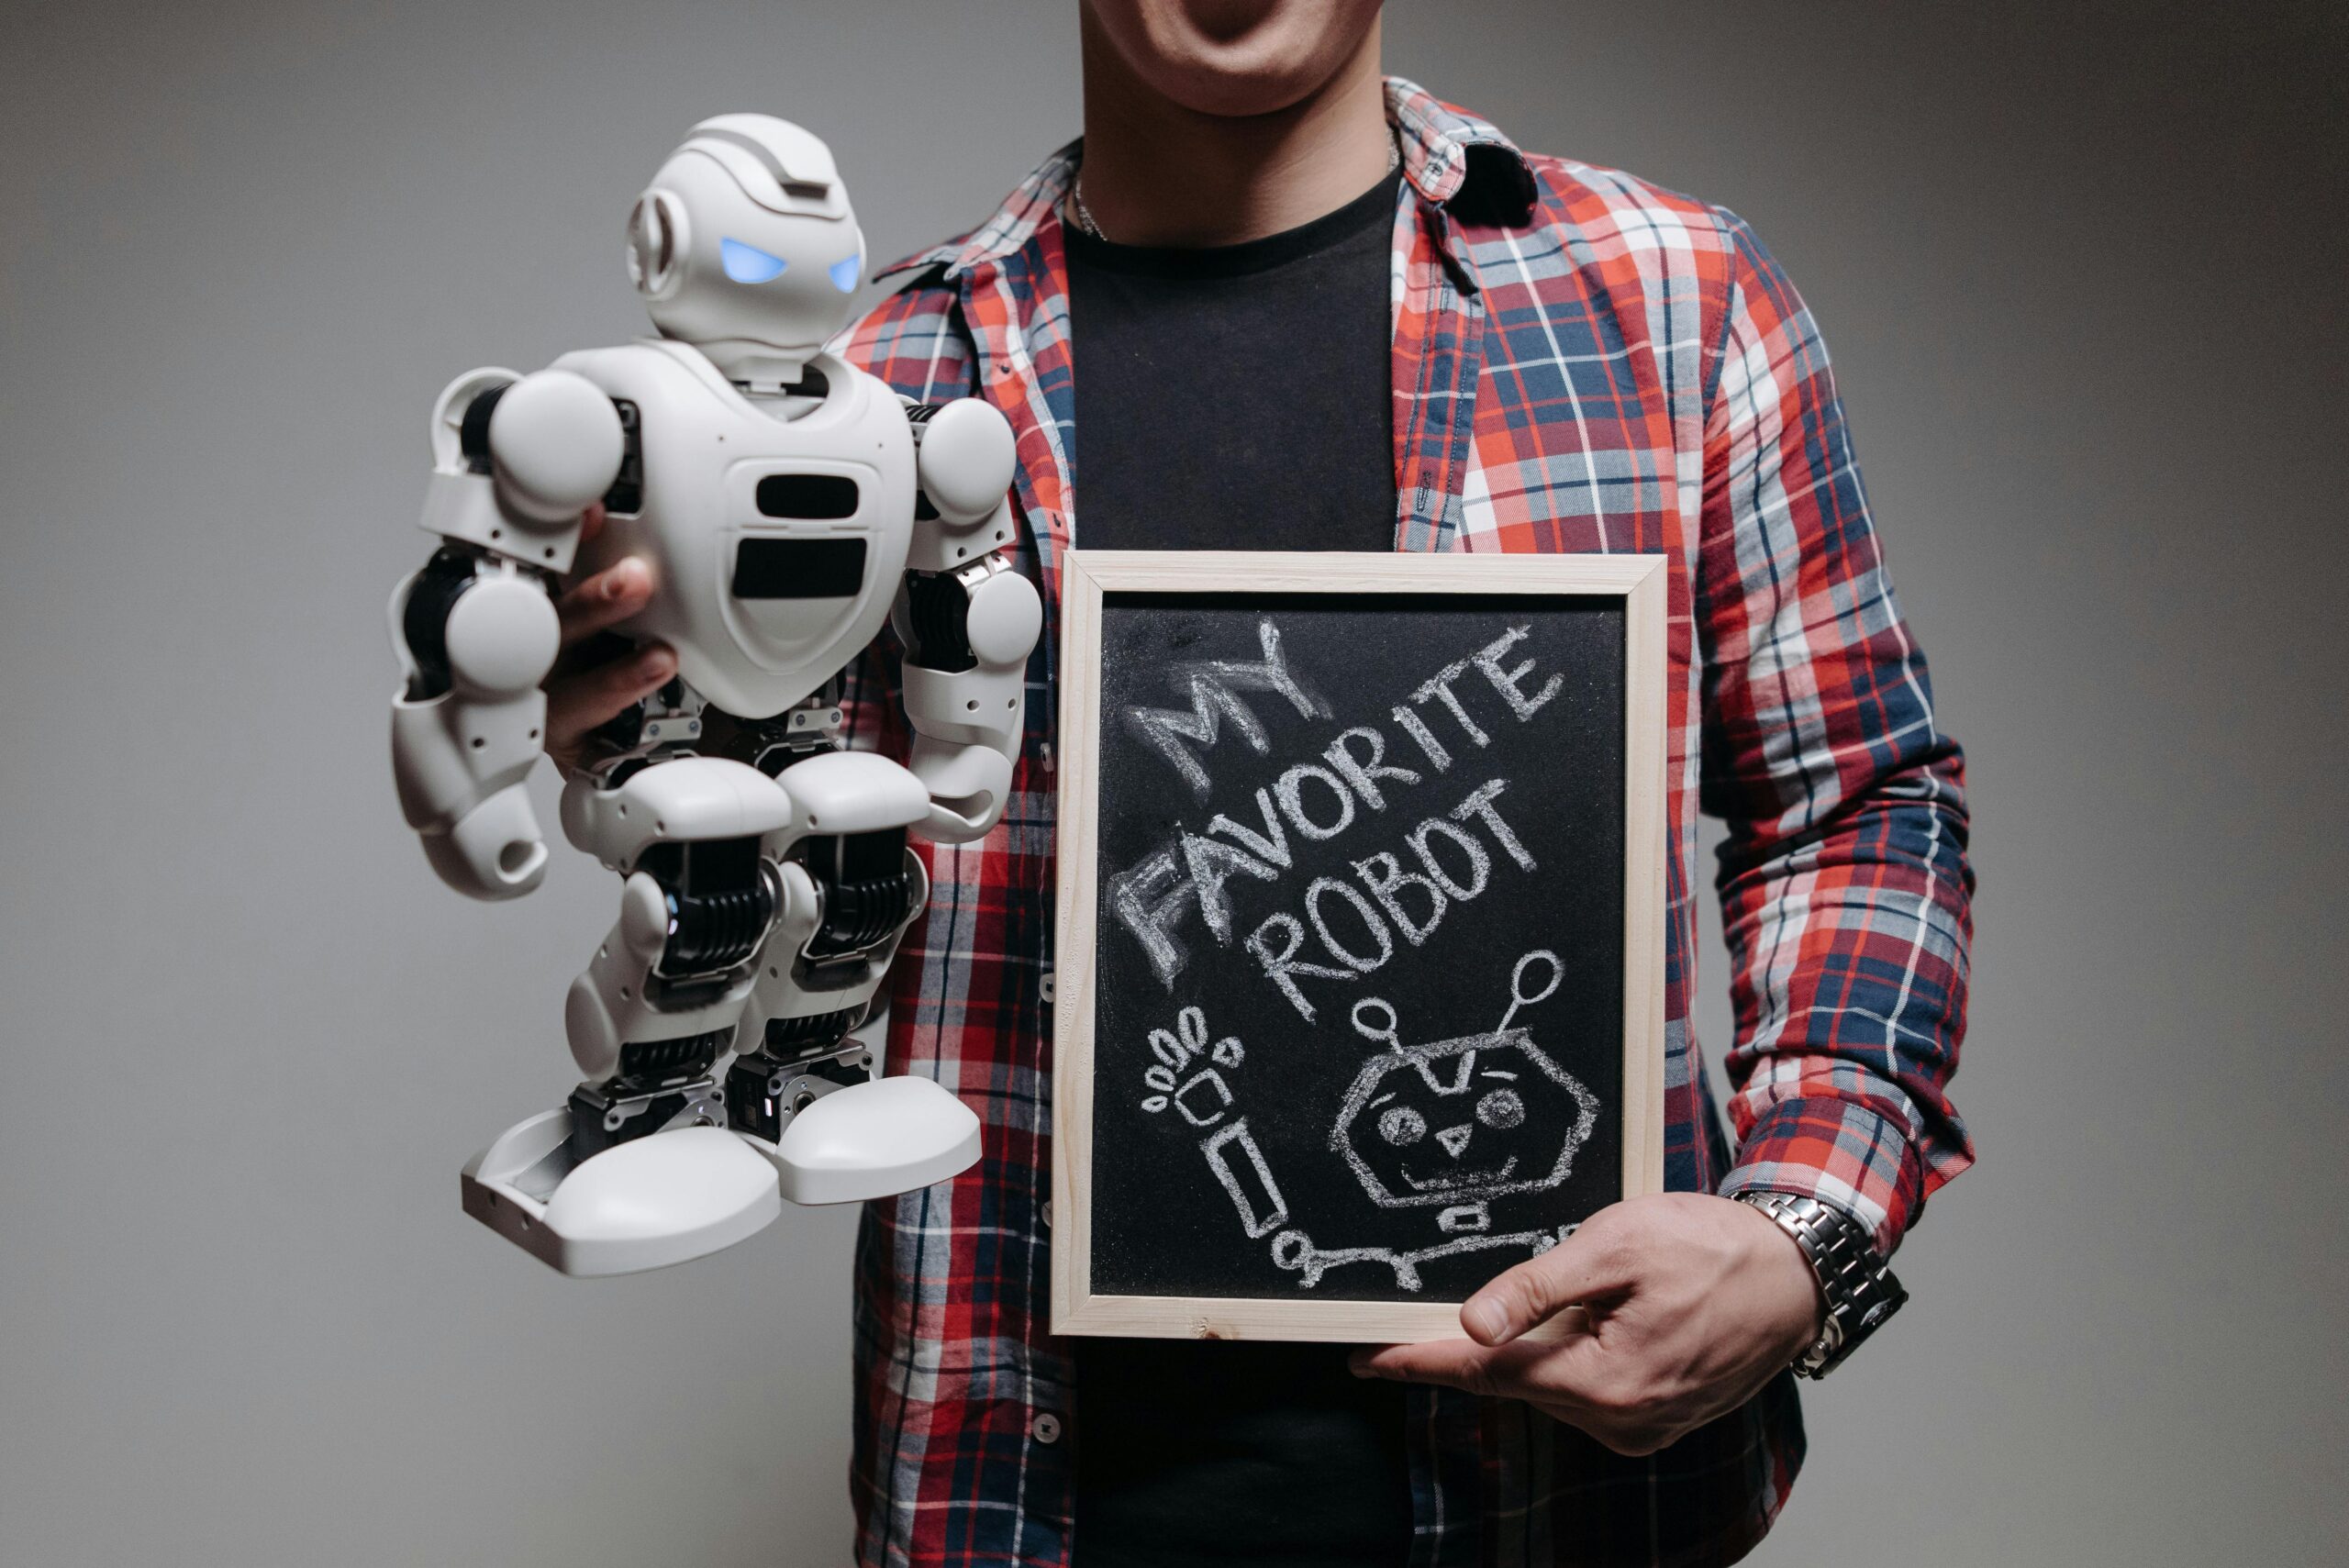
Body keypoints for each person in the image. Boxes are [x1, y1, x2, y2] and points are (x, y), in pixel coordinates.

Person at [542, 4, 1975, 1563]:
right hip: (1025, 1500)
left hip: (1574, 1505)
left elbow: (1858, 801)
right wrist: (630, 732)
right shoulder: (864, 391)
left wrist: (1805, 1229)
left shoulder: (1675, 301)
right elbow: (782, 837)